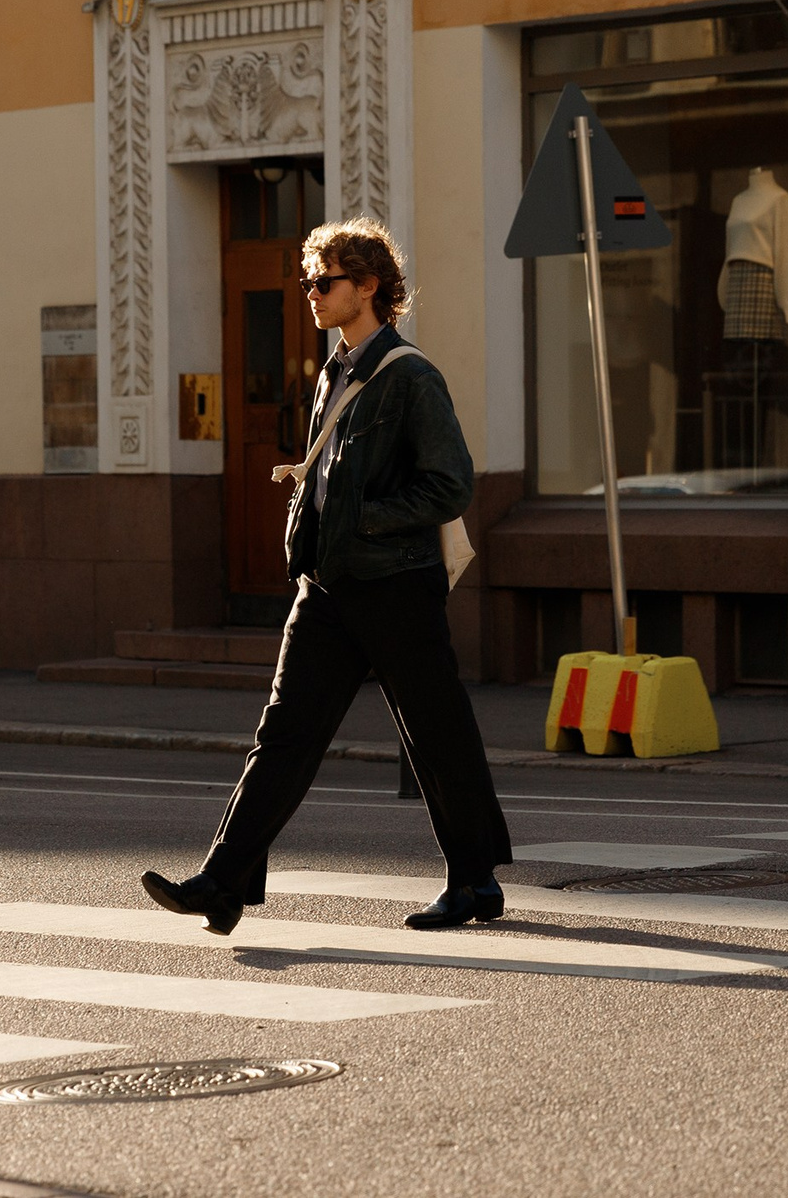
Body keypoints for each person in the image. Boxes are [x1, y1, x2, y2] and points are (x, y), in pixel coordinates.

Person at [142, 217, 513, 934]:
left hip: (396, 583)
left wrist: (364, 518)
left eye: (325, 281)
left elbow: (451, 485)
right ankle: (223, 883)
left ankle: (475, 879)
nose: (310, 294)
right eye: (309, 280)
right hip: (328, 585)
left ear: (368, 286)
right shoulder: (332, 373)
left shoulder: (410, 377)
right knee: (283, 734)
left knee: (435, 732)